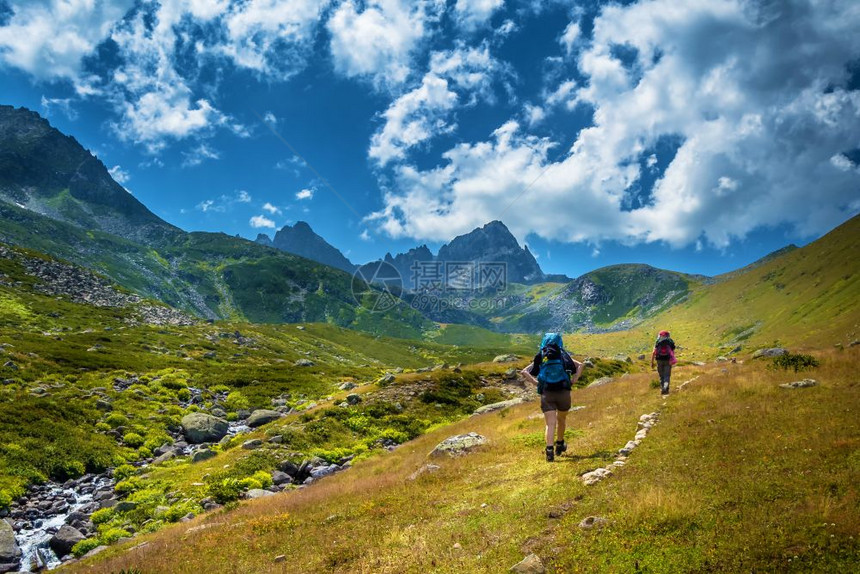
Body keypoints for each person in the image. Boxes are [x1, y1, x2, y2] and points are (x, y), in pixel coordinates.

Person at [520, 333, 584, 462]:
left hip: (547, 393)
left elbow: (524, 371)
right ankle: (559, 444)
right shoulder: (563, 354)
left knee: (550, 424)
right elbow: (580, 365)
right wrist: (574, 379)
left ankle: (549, 451)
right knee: (561, 419)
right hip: (563, 392)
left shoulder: (541, 355)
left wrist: (536, 383)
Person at [651, 330, 677, 395]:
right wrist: (672, 360)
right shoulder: (670, 342)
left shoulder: (658, 342)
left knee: (661, 376)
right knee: (667, 376)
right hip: (668, 361)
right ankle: (666, 388)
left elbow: (653, 352)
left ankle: (663, 388)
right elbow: (672, 352)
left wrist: (652, 362)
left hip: (659, 360)